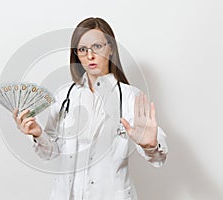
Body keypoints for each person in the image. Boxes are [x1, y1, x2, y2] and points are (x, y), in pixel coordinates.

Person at [13, 17, 168, 200]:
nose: (90, 55)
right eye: (82, 49)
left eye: (97, 47)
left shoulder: (130, 97)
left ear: (110, 48)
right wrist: (38, 134)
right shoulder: (65, 96)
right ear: (76, 54)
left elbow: (158, 158)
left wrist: (149, 145)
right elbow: (50, 153)